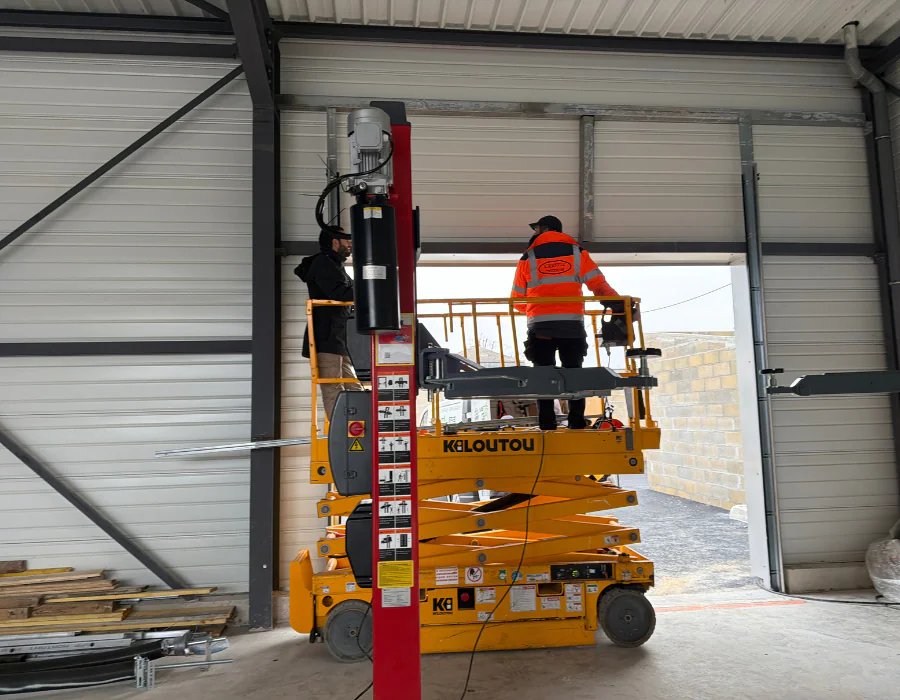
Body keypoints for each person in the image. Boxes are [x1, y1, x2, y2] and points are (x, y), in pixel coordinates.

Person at [510, 215, 626, 431]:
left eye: (536, 228)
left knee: (543, 376)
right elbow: (598, 285)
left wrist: (536, 309)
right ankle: (575, 421)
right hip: (571, 326)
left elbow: (517, 301)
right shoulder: (577, 253)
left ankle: (546, 423)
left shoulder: (528, 257)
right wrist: (620, 305)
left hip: (541, 327)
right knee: (575, 374)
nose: (534, 232)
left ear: (543, 229)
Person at [295, 227, 363, 418]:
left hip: (339, 338)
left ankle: (361, 423)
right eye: (346, 241)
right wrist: (370, 289)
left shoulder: (336, 265)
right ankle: (341, 432)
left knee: (352, 385)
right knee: (334, 388)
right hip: (327, 337)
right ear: (335, 242)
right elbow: (341, 293)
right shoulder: (323, 264)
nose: (350, 245)